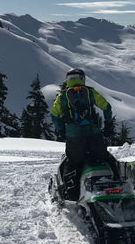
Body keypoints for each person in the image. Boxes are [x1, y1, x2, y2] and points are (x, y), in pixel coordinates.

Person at [51, 68, 120, 200]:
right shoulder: (89, 92)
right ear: (82, 78)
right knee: (103, 158)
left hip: (74, 137)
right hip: (94, 134)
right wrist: (108, 125)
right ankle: (116, 181)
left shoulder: (63, 96)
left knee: (73, 163)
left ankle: (72, 194)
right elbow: (107, 107)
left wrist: (60, 130)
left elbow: (54, 115)